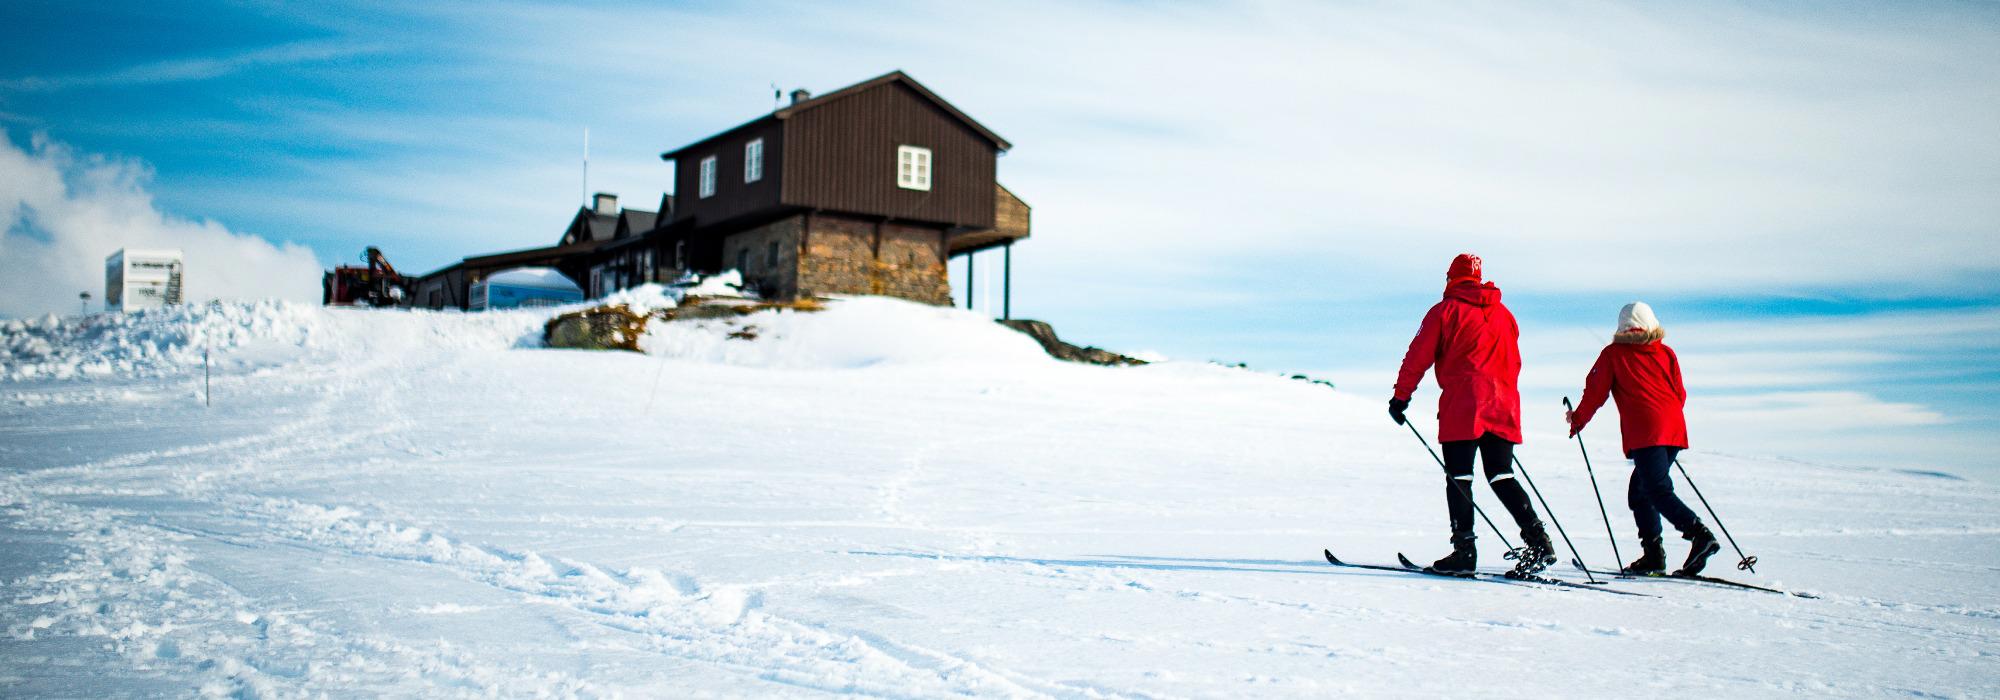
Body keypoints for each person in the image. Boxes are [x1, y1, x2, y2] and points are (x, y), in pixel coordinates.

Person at [1390, 253, 1554, 576]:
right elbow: (1515, 361)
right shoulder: (1505, 315)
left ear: (1451, 278)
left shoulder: (1445, 311)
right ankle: (1539, 542)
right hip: (1504, 403)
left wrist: (1401, 397)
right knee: (1501, 474)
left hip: (1464, 404)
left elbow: (1418, 355)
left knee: (1460, 477)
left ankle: (1465, 552)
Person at [1565, 302, 1720, 576]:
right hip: (1673, 428)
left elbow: (1595, 392)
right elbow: (1680, 393)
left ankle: (1699, 535)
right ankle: (1653, 555)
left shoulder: (1614, 354)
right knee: (1641, 490)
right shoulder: (1666, 353)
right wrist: (1666, 422)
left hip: (1647, 430)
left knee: (1657, 490)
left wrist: (1578, 419)